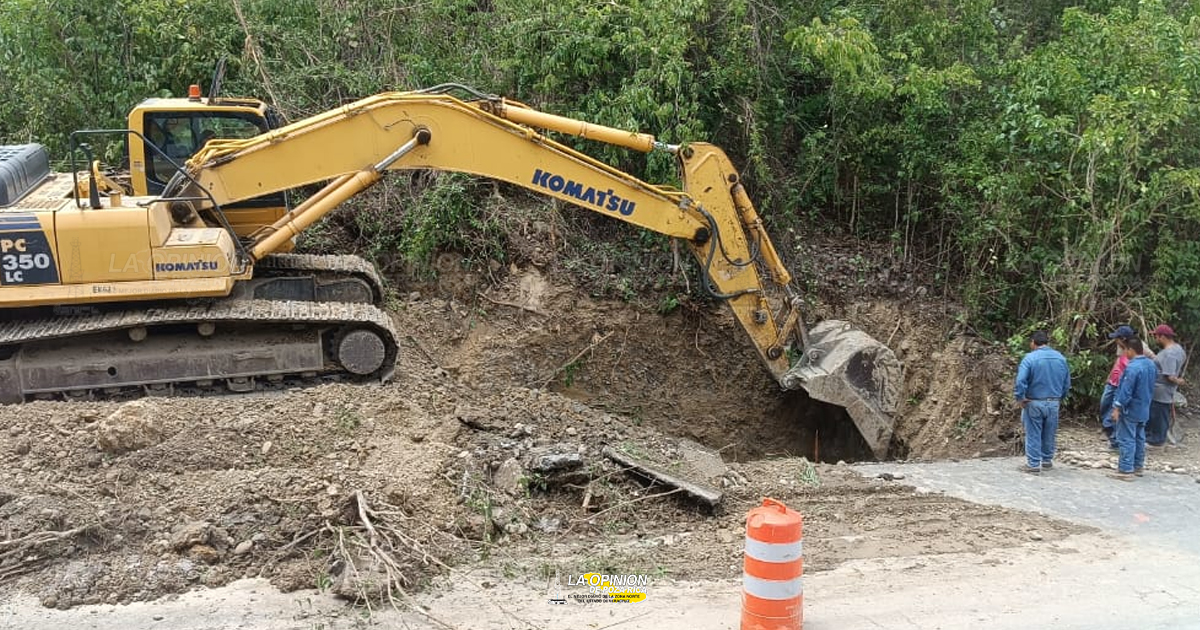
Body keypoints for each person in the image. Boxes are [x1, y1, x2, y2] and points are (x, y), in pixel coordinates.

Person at [1013, 330, 1071, 473]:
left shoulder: (1030, 359)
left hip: (1034, 401)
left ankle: (1033, 464)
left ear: (1033, 342)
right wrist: (1060, 397)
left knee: (1033, 432)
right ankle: (1046, 460)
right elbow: (1066, 383)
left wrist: (1020, 397)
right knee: (1049, 432)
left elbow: (1021, 380)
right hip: (1053, 402)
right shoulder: (1060, 358)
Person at [1110, 337, 1157, 480]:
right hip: (1144, 407)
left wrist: (1117, 407)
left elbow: (1126, 390)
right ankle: (1138, 466)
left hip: (1130, 409)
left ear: (1130, 350)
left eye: (1125, 350)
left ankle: (1125, 470)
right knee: (1139, 438)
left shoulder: (1132, 367)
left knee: (1126, 438)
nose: (1125, 353)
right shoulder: (1151, 365)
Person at [1099, 326, 1137, 449]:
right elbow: (1118, 362)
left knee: (1115, 412)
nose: (1115, 341)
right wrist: (1110, 376)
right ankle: (1110, 433)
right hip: (1113, 382)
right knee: (1105, 406)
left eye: (1117, 338)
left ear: (1123, 338)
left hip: (1121, 385)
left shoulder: (1135, 350)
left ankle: (1115, 440)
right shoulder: (1122, 349)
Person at [1148, 324, 1185, 447]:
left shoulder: (1169, 354)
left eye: (1156, 336)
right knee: (1159, 413)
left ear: (1163, 337)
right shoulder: (1178, 349)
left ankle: (1157, 440)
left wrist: (1178, 381)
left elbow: (1169, 375)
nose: (1155, 339)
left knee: (1158, 414)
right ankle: (1156, 438)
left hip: (1161, 390)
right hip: (1162, 390)